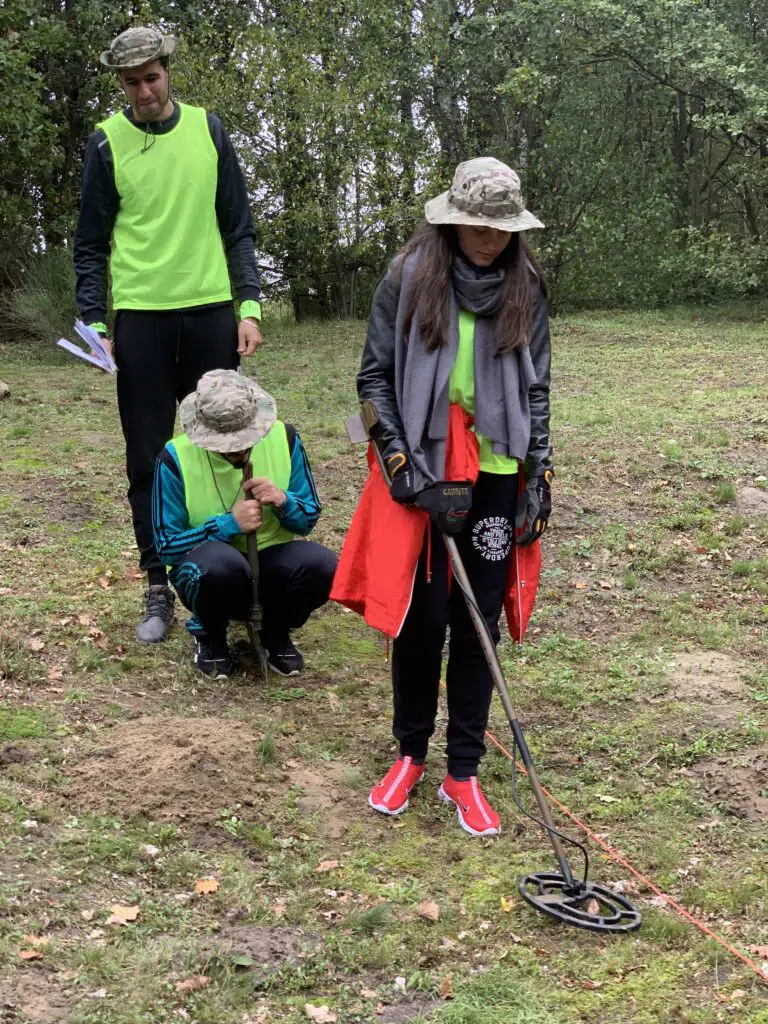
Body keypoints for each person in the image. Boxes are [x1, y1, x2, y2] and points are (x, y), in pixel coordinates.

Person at [332, 157, 553, 837]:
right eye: (479, 226)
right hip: (425, 468)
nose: (490, 239)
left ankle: (464, 771)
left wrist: (540, 474)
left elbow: (537, 387)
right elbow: (374, 379)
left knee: (477, 620)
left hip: (496, 468)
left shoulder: (525, 284)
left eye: (502, 228)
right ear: (453, 221)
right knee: (421, 618)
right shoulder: (408, 276)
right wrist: (399, 464)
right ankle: (409, 755)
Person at [74, 27, 263, 643]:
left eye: (152, 78)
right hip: (141, 320)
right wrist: (95, 323)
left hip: (210, 312)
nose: (144, 91)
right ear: (121, 83)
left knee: (224, 443)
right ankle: (158, 581)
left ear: (167, 72)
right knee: (149, 457)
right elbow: (90, 245)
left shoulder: (208, 130)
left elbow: (238, 226)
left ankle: (229, 573)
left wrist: (249, 306)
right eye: (132, 82)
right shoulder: (107, 142)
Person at [152, 369, 337, 678]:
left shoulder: (285, 438)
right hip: (212, 571)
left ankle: (274, 630)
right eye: (225, 443)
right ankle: (209, 634)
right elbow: (167, 546)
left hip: (272, 563)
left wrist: (284, 501)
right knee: (219, 567)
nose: (238, 449)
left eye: (245, 438)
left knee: (324, 565)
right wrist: (226, 526)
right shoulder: (174, 457)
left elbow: (308, 519)